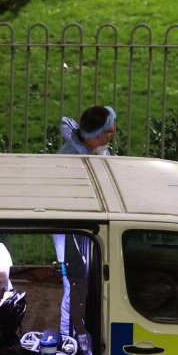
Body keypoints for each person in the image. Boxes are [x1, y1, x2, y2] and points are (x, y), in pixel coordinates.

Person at [54, 105, 116, 337]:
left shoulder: (94, 151)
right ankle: (70, 339)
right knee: (75, 285)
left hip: (88, 227)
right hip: (73, 229)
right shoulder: (71, 160)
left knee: (85, 284)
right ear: (94, 135)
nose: (112, 135)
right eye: (109, 132)